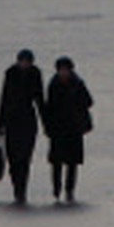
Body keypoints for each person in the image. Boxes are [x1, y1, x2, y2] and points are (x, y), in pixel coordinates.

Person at [0, 48, 46, 206]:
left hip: (28, 121)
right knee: (12, 158)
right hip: (11, 120)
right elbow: (4, 98)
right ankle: (17, 187)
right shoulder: (10, 73)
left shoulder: (35, 74)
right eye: (22, 61)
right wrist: (0, 121)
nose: (24, 64)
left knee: (24, 158)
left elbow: (40, 99)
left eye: (27, 61)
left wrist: (46, 122)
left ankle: (21, 189)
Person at [44, 56, 93, 203]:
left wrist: (76, 105)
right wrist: (48, 126)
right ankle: (57, 189)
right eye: (61, 70)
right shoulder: (53, 85)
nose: (64, 72)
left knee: (72, 162)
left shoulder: (78, 83)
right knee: (56, 162)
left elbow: (89, 101)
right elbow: (49, 108)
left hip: (74, 128)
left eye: (66, 69)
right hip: (57, 128)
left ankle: (70, 190)